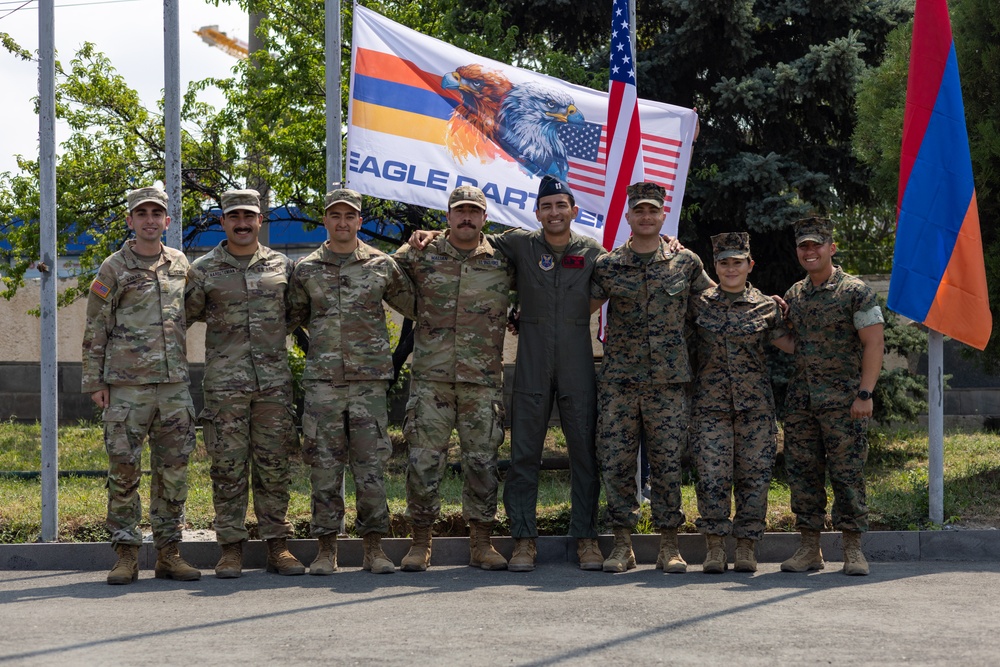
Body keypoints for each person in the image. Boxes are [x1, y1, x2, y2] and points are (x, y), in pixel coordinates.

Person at [410, 175, 604, 572]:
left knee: (585, 452)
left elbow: (615, 279)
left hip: (577, 362)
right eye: (546, 206)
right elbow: (466, 237)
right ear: (537, 213)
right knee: (523, 455)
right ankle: (523, 541)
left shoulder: (592, 252)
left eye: (561, 206)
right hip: (531, 361)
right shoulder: (517, 244)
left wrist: (671, 246)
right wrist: (429, 233)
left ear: (574, 211)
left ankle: (586, 539)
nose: (554, 213)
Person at [288, 188, 415, 575]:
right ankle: (327, 550)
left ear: (360, 221)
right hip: (324, 384)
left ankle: (374, 548)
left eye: (350, 216)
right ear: (325, 220)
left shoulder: (381, 265)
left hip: (368, 384)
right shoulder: (306, 269)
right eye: (335, 216)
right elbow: (288, 318)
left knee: (371, 466)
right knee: (324, 467)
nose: (342, 222)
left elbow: (416, 305)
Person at [589, 181, 714, 574]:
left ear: (663, 216)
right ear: (628, 217)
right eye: (639, 211)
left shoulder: (685, 262)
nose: (646, 216)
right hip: (620, 384)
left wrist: (766, 302)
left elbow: (716, 302)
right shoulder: (608, 265)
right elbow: (579, 307)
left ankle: (669, 546)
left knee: (668, 464)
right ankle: (622, 546)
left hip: (668, 384)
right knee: (616, 462)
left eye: (652, 211)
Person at [392, 185, 515, 571]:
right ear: (447, 216)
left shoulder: (503, 259)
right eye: (459, 211)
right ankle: (420, 542)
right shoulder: (423, 252)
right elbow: (390, 277)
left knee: (482, 461)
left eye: (473, 212)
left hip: (481, 380)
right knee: (424, 461)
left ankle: (481, 542)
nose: (466, 217)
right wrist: (424, 310)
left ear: (484, 218)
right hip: (432, 379)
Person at [82, 186, 200, 585]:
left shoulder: (181, 264)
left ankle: (169, 553)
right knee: (124, 471)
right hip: (126, 389)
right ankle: (127, 554)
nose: (150, 219)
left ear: (167, 221)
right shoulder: (113, 267)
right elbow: (96, 326)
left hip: (172, 387)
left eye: (157, 213)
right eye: (142, 213)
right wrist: (95, 381)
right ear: (131, 220)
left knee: (174, 472)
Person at [185, 189, 304, 579]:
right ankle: (231, 549)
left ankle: (277, 546)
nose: (241, 223)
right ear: (222, 222)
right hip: (224, 387)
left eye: (248, 216)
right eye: (233, 216)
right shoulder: (202, 270)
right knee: (228, 468)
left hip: (272, 385)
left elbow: (297, 313)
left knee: (274, 466)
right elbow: (184, 316)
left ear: (259, 220)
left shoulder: (282, 267)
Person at [780, 217, 884, 576]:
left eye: (817, 245)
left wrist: (865, 393)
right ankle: (810, 548)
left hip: (844, 402)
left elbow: (874, 343)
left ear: (831, 248)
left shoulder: (856, 291)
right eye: (804, 246)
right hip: (802, 403)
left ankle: (853, 549)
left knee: (847, 474)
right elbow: (796, 345)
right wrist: (768, 326)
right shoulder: (796, 294)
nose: (810, 251)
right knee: (803, 474)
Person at [689, 232, 793, 573]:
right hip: (709, 408)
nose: (731, 269)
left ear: (750, 265)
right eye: (724, 262)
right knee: (711, 477)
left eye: (737, 262)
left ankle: (746, 547)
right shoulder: (699, 303)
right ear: (715, 265)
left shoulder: (767, 306)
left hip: (755, 408)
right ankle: (716, 548)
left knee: (754, 477)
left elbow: (790, 344)